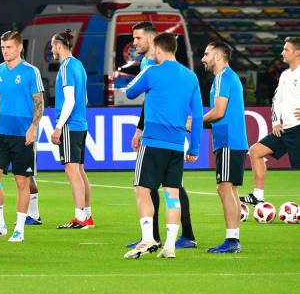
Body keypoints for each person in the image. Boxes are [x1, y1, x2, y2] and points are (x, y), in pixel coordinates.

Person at [123, 32, 203, 259]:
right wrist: (194, 148)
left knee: (142, 190)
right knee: (171, 194)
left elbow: (129, 92)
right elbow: (197, 116)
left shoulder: (151, 71)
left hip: (153, 143)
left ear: (157, 50)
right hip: (177, 145)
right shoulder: (191, 77)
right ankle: (169, 245)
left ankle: (148, 238)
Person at [0, 31, 44, 243]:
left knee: (22, 182)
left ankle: (19, 229)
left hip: (23, 135)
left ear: (19, 48)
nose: (5, 51)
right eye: (2, 47)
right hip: (1, 134)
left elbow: (39, 102)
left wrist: (34, 127)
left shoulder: (30, 72)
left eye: (9, 47)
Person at [241, 37, 300, 204]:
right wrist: (275, 122)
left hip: (298, 129)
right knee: (255, 151)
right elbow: (277, 100)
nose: (282, 52)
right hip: (284, 129)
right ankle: (257, 196)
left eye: (286, 49)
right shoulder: (285, 75)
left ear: (297, 53)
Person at [201, 41, 247, 254]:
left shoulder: (222, 77)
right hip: (232, 140)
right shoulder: (229, 77)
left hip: (228, 140)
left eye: (207, 54)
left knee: (224, 188)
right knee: (231, 189)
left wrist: (193, 123)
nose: (203, 58)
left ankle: (231, 241)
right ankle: (234, 238)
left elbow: (219, 112)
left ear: (218, 57)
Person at [49, 29, 94, 229]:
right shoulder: (79, 65)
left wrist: (58, 127)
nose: (51, 49)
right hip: (81, 124)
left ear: (59, 46)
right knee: (80, 170)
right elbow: (84, 98)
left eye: (52, 45)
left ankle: (79, 217)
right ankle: (87, 215)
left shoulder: (66, 67)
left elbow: (70, 100)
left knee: (72, 170)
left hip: (69, 124)